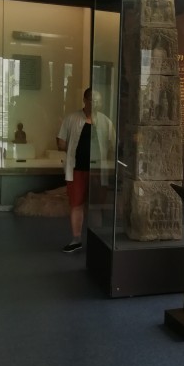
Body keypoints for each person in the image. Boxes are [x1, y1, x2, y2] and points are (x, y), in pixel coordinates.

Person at [56, 87, 114, 253]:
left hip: (97, 171)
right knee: (76, 204)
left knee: (96, 205)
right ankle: (76, 239)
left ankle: (97, 240)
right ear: (85, 100)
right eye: (92, 100)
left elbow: (112, 146)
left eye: (98, 101)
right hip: (77, 169)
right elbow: (61, 142)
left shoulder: (106, 122)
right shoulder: (71, 119)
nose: (95, 104)